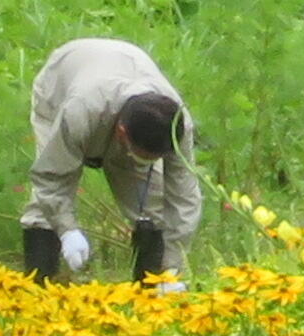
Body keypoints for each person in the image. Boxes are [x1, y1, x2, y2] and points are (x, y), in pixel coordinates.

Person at [22, 39, 200, 284]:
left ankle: (149, 298)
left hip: (125, 71)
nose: (147, 162)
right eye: (144, 156)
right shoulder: (79, 112)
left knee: (152, 209)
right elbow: (51, 178)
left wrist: (171, 271)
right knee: (45, 206)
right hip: (61, 82)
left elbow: (184, 196)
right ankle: (37, 292)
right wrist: (67, 230)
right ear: (122, 133)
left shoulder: (177, 124)